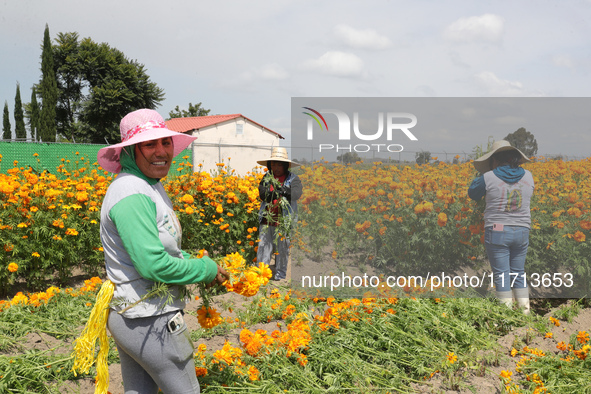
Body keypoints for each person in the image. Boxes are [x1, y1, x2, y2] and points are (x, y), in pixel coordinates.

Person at [97, 109, 229, 393]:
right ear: (130, 151)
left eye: (165, 142)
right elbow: (152, 265)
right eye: (149, 144)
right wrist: (204, 268)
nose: (161, 151)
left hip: (136, 317)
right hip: (148, 318)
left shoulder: (147, 185)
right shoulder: (131, 191)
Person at [468, 140, 535, 314]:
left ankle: (506, 318)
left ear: (495, 160)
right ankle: (525, 315)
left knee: (501, 274)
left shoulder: (488, 177)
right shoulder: (528, 176)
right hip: (522, 231)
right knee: (518, 273)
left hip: (497, 231)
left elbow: (472, 193)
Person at [256, 147, 303, 282]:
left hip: (284, 221)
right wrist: (274, 193)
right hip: (267, 219)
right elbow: (262, 194)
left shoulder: (293, 179)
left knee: (282, 249)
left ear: (285, 165)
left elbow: (296, 194)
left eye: (279, 164)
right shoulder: (266, 177)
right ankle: (262, 274)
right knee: (264, 246)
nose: (276, 167)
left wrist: (284, 191)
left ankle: (280, 274)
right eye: (273, 164)